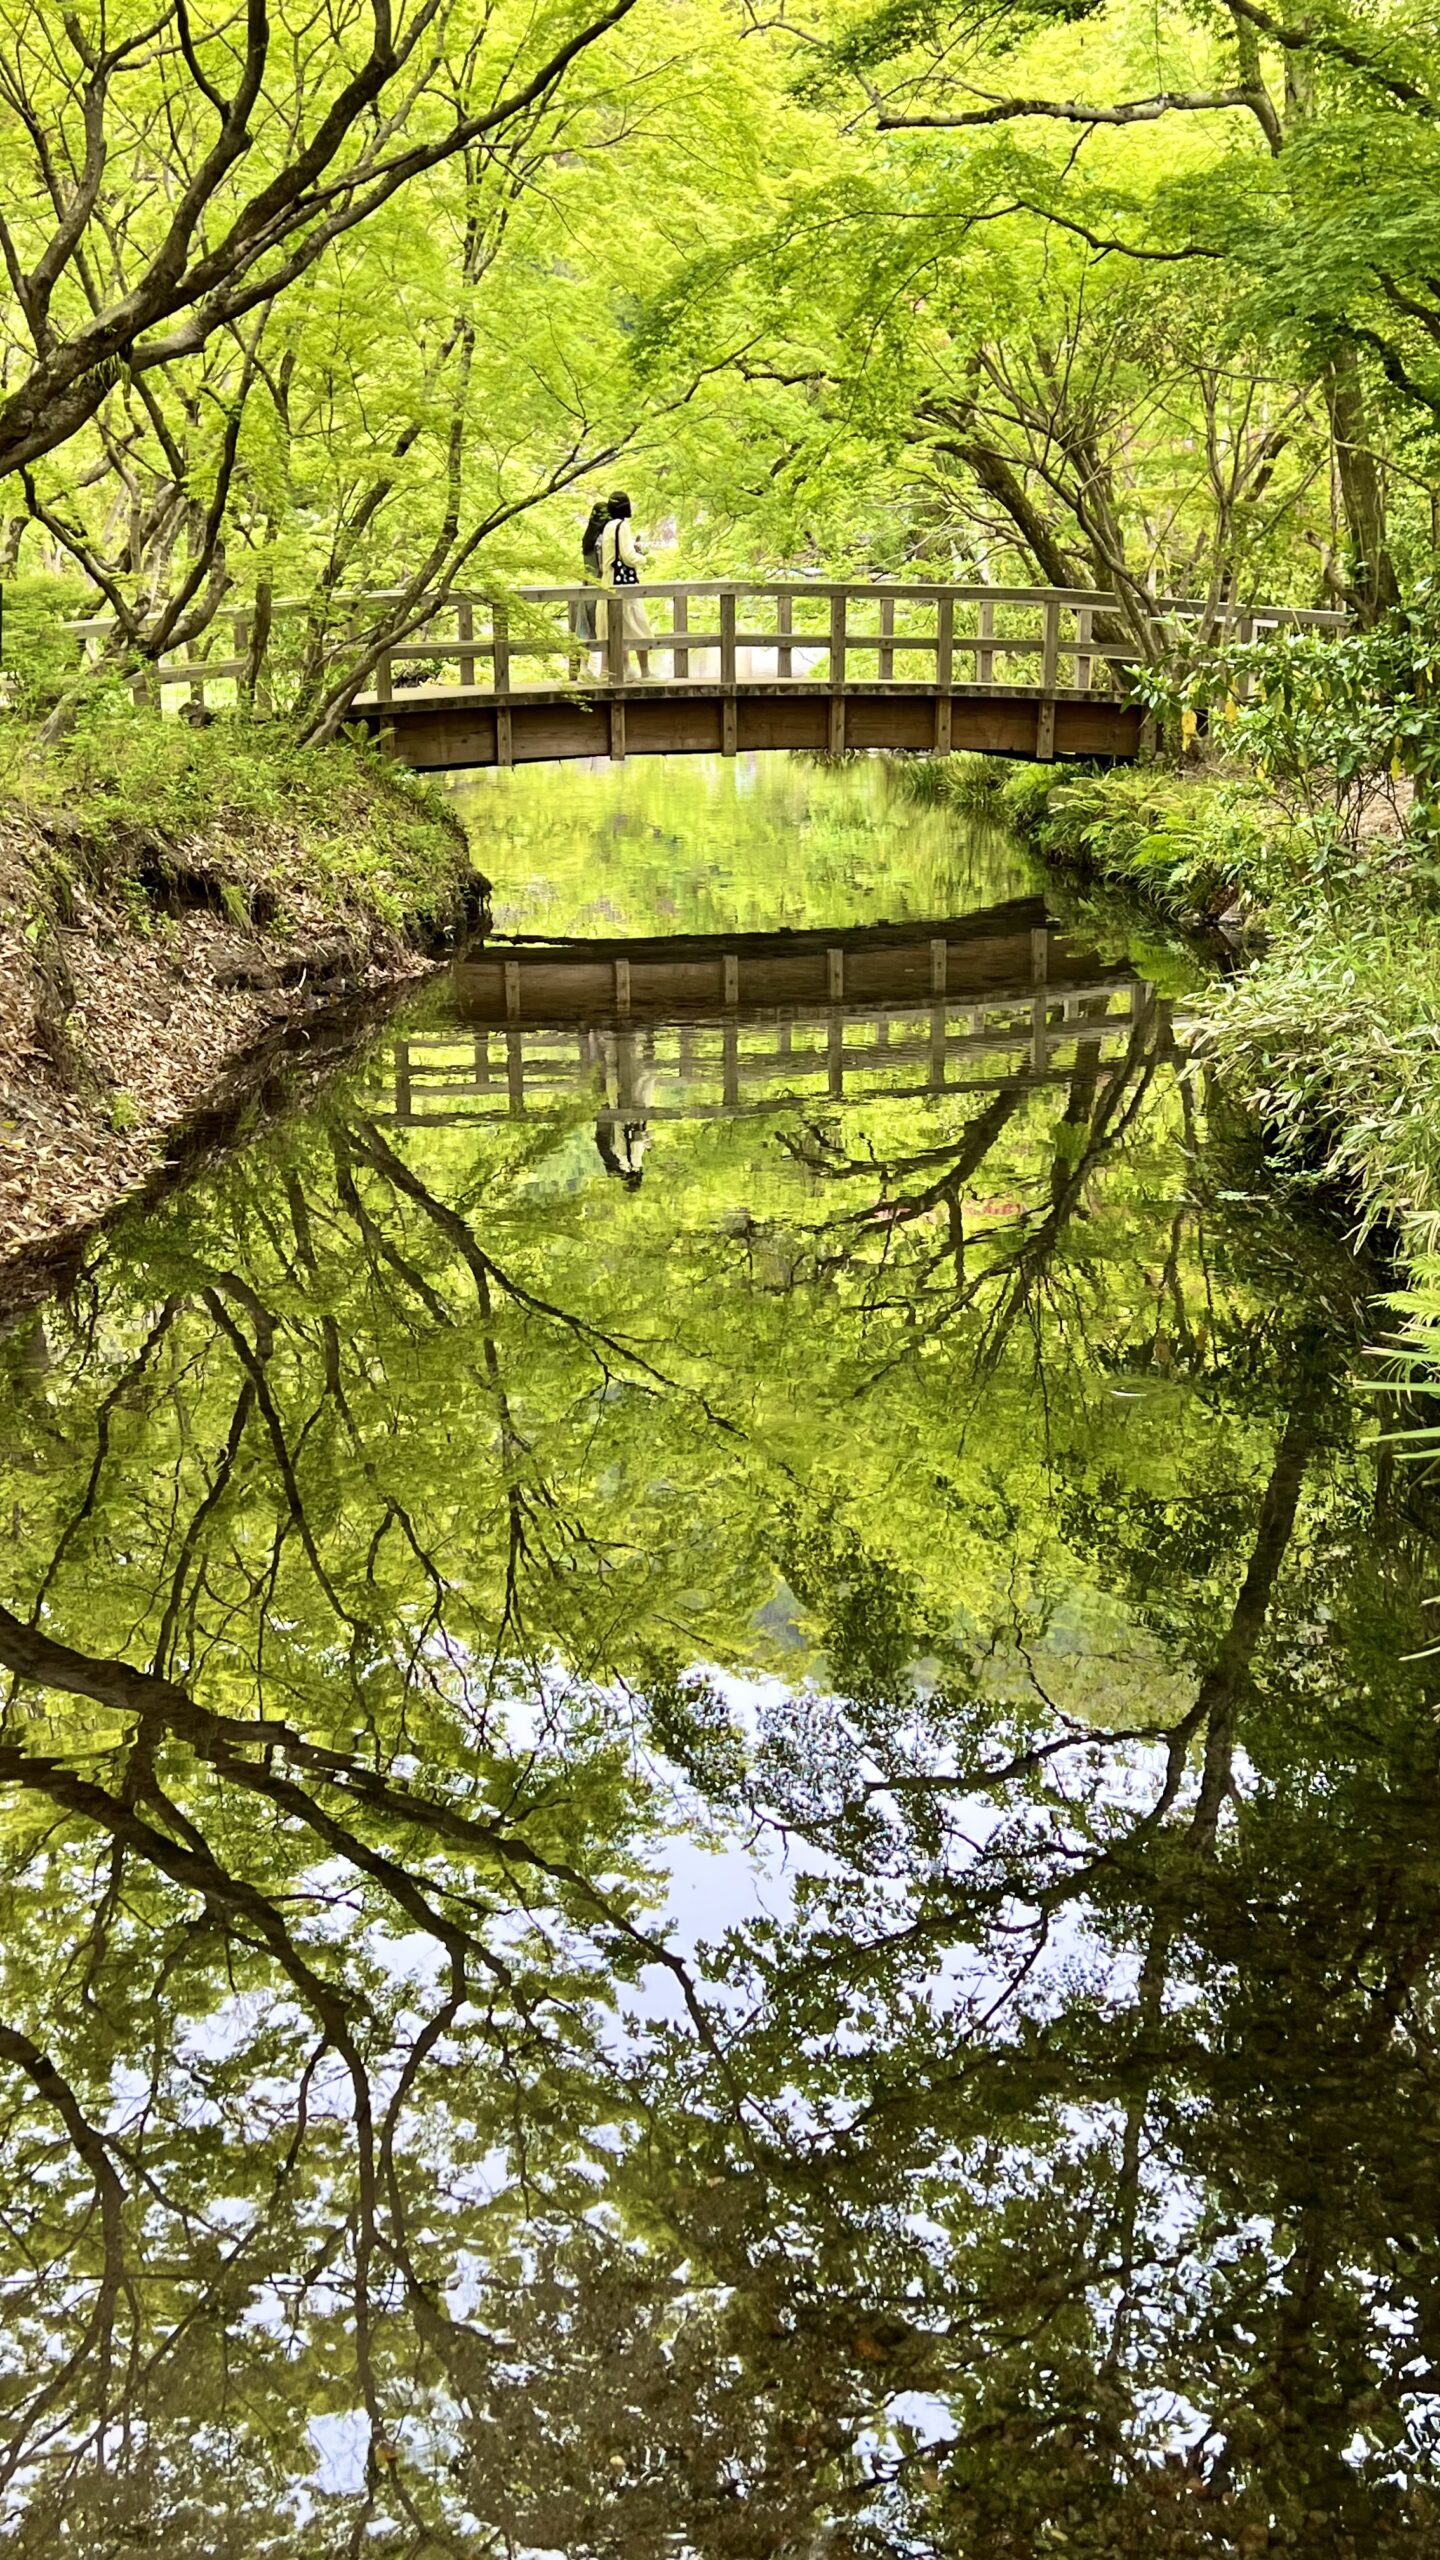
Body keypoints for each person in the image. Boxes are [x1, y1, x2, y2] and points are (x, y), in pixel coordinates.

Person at [599, 490, 652, 678]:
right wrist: (645, 559)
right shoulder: (623, 526)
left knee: (614, 626)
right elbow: (628, 557)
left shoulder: (608, 526)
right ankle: (645, 672)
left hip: (609, 580)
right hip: (623, 584)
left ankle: (616, 670)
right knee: (637, 623)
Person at [573, 499, 609, 651]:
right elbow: (602, 565)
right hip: (601, 584)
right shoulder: (601, 540)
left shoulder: (587, 538)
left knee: (585, 625)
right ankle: (606, 668)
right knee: (604, 626)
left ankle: (584, 667)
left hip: (588, 584)